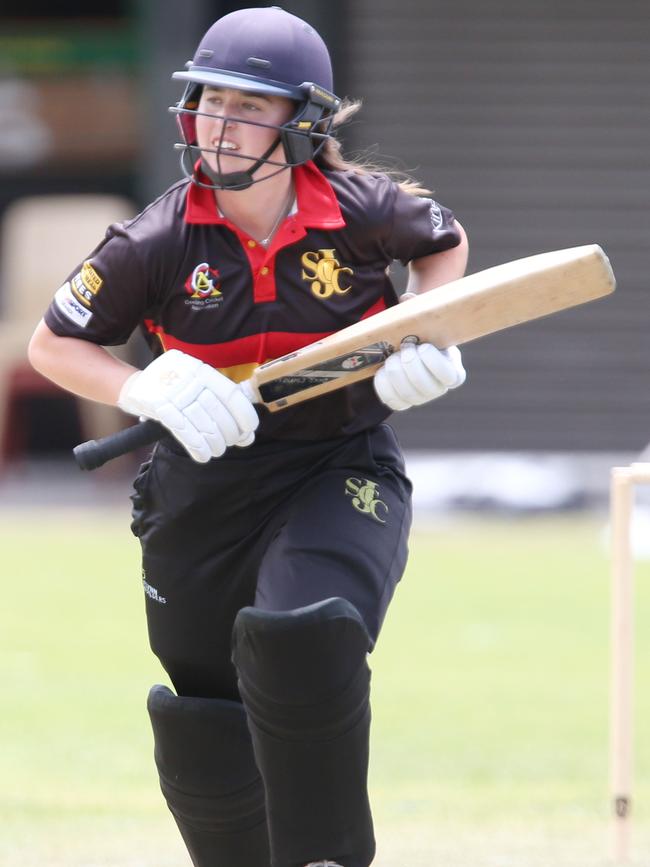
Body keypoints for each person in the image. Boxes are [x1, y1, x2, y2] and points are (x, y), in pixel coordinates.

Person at [28, 8, 469, 867]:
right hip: (200, 490)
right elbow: (54, 343)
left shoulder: (360, 208)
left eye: (250, 105)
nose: (219, 124)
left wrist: (424, 331)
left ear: (303, 123)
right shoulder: (155, 239)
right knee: (203, 716)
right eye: (209, 100)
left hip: (336, 463)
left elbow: (444, 243)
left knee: (301, 632)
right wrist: (139, 382)